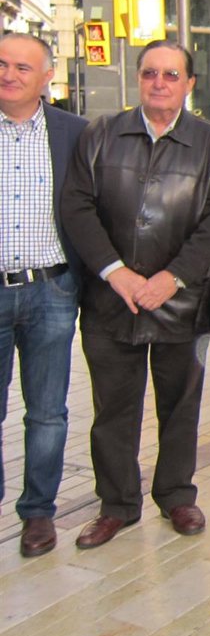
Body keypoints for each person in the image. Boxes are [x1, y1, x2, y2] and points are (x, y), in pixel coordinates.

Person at [62, 41, 210, 549]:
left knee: (180, 405)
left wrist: (173, 277)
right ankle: (116, 504)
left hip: (182, 300)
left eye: (172, 75)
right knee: (113, 408)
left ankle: (177, 495)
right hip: (111, 299)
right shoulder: (101, 134)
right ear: (139, 78)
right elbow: (76, 206)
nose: (160, 83)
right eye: (151, 73)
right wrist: (115, 272)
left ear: (189, 84)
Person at [0, 33, 86, 558]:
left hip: (52, 290)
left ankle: (38, 512)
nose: (9, 74)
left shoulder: (73, 133)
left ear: (47, 76)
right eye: (2, 63)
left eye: (22, 67)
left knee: (47, 412)